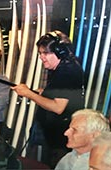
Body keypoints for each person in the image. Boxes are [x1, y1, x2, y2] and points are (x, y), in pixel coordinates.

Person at [11, 30, 85, 168]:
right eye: (40, 53)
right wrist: (42, 92)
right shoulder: (63, 68)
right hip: (53, 135)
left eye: (45, 53)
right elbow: (63, 94)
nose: (41, 57)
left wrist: (29, 94)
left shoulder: (67, 72)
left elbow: (58, 107)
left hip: (59, 140)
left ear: (60, 52)